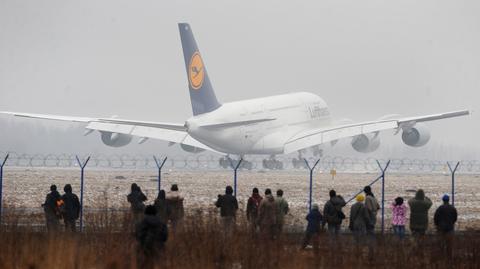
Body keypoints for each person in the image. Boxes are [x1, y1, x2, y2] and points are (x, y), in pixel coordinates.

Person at [434, 194, 457, 259]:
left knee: (441, 244)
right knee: (449, 245)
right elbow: (455, 218)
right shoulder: (453, 208)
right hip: (450, 228)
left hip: (441, 228)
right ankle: (449, 258)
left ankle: (441, 257)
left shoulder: (440, 208)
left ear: (443, 200)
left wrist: (437, 225)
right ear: (448, 200)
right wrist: (452, 223)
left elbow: (436, 218)